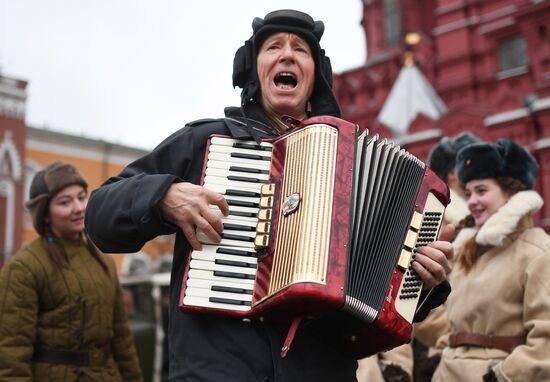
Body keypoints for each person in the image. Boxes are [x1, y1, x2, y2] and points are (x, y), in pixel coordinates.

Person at [84, 9, 454, 382]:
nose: (287, 55)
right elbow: (99, 215)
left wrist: (424, 281)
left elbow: (382, 310)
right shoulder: (206, 143)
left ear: (316, 76)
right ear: (254, 68)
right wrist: (163, 195)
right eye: (273, 46)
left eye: (301, 49)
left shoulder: (357, 168)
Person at [0, 162, 143, 381]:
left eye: (81, 197)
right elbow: (12, 350)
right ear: (45, 213)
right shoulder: (24, 267)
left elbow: (122, 339)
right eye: (65, 202)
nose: (78, 207)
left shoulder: (104, 261)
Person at [431, 139, 550, 381]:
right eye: (468, 193)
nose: (471, 201)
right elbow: (454, 324)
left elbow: (545, 343)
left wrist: (503, 376)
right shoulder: (466, 252)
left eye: (481, 191)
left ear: (512, 194)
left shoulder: (538, 252)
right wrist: (440, 356)